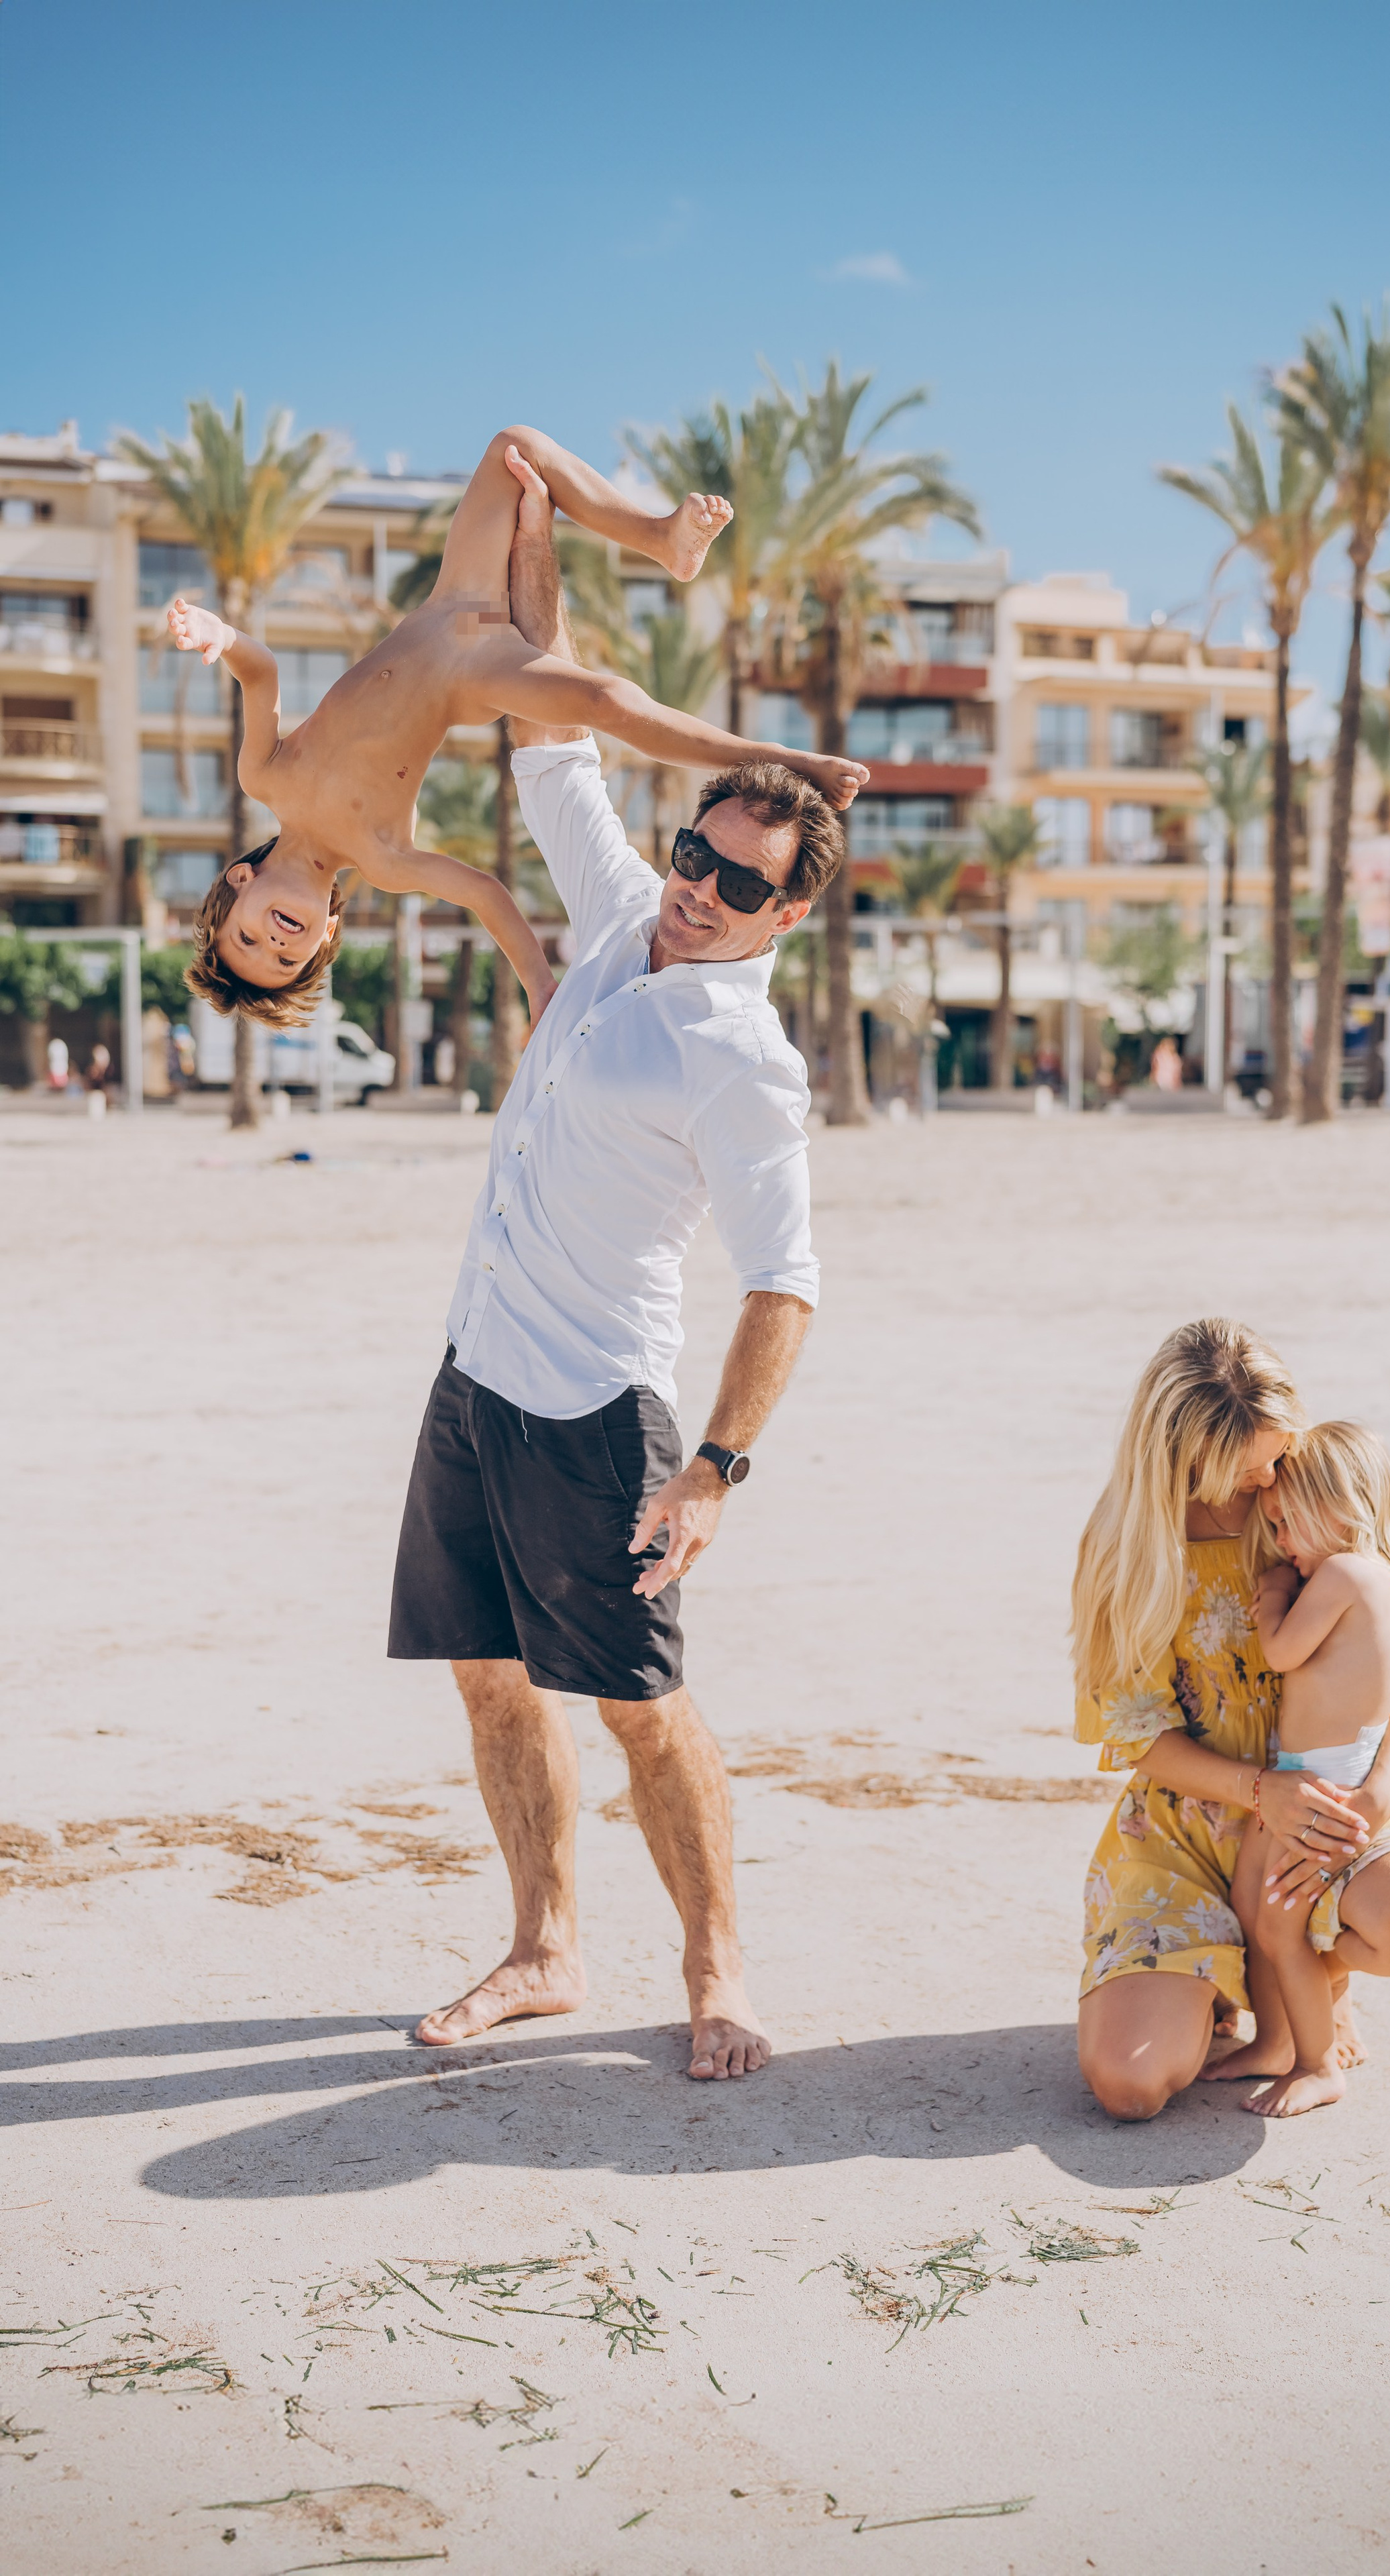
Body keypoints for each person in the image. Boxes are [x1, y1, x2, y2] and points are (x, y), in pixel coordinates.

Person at [388, 462, 836, 2081]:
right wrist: (543, 532)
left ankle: (717, 1970)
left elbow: (782, 1281)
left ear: (790, 908)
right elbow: (548, 723)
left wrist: (714, 1467)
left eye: (737, 881)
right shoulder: (615, 915)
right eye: (694, 852)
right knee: (490, 1680)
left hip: (595, 1412)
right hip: (473, 1373)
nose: (699, 891)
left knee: (640, 1707)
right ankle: (543, 1947)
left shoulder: (745, 1055)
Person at [164, 429, 867, 1028]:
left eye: (248, 937)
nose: (274, 943)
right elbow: (487, 896)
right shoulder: (386, 859)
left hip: (450, 610)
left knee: (514, 447)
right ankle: (781, 755)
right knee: (610, 702)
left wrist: (218, 633)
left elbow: (261, 676)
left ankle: (660, 540)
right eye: (287, 959)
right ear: (329, 935)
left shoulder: (266, 778)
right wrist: (537, 985)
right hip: (476, 673)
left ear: (238, 881)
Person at [1071, 1318, 1390, 2122]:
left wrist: (1379, 1793)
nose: (1267, 1486)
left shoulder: (1327, 1497)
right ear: (1181, 1457)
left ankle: (1312, 1981)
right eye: (1247, 1470)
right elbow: (1136, 1734)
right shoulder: (1125, 1550)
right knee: (1130, 2086)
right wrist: (1262, 1793)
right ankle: (1218, 1986)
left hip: (1338, 1797)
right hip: (1193, 1824)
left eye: (1275, 1458)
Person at [1218, 1420, 1390, 2117]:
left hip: (1319, 1783)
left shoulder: (1346, 1572)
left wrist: (1272, 1602)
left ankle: (1316, 2065)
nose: (1282, 1543)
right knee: (1256, 1908)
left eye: (1288, 1525)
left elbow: (1284, 1653)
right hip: (1317, 1772)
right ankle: (1273, 2040)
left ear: (1341, 1511)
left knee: (1279, 1929)